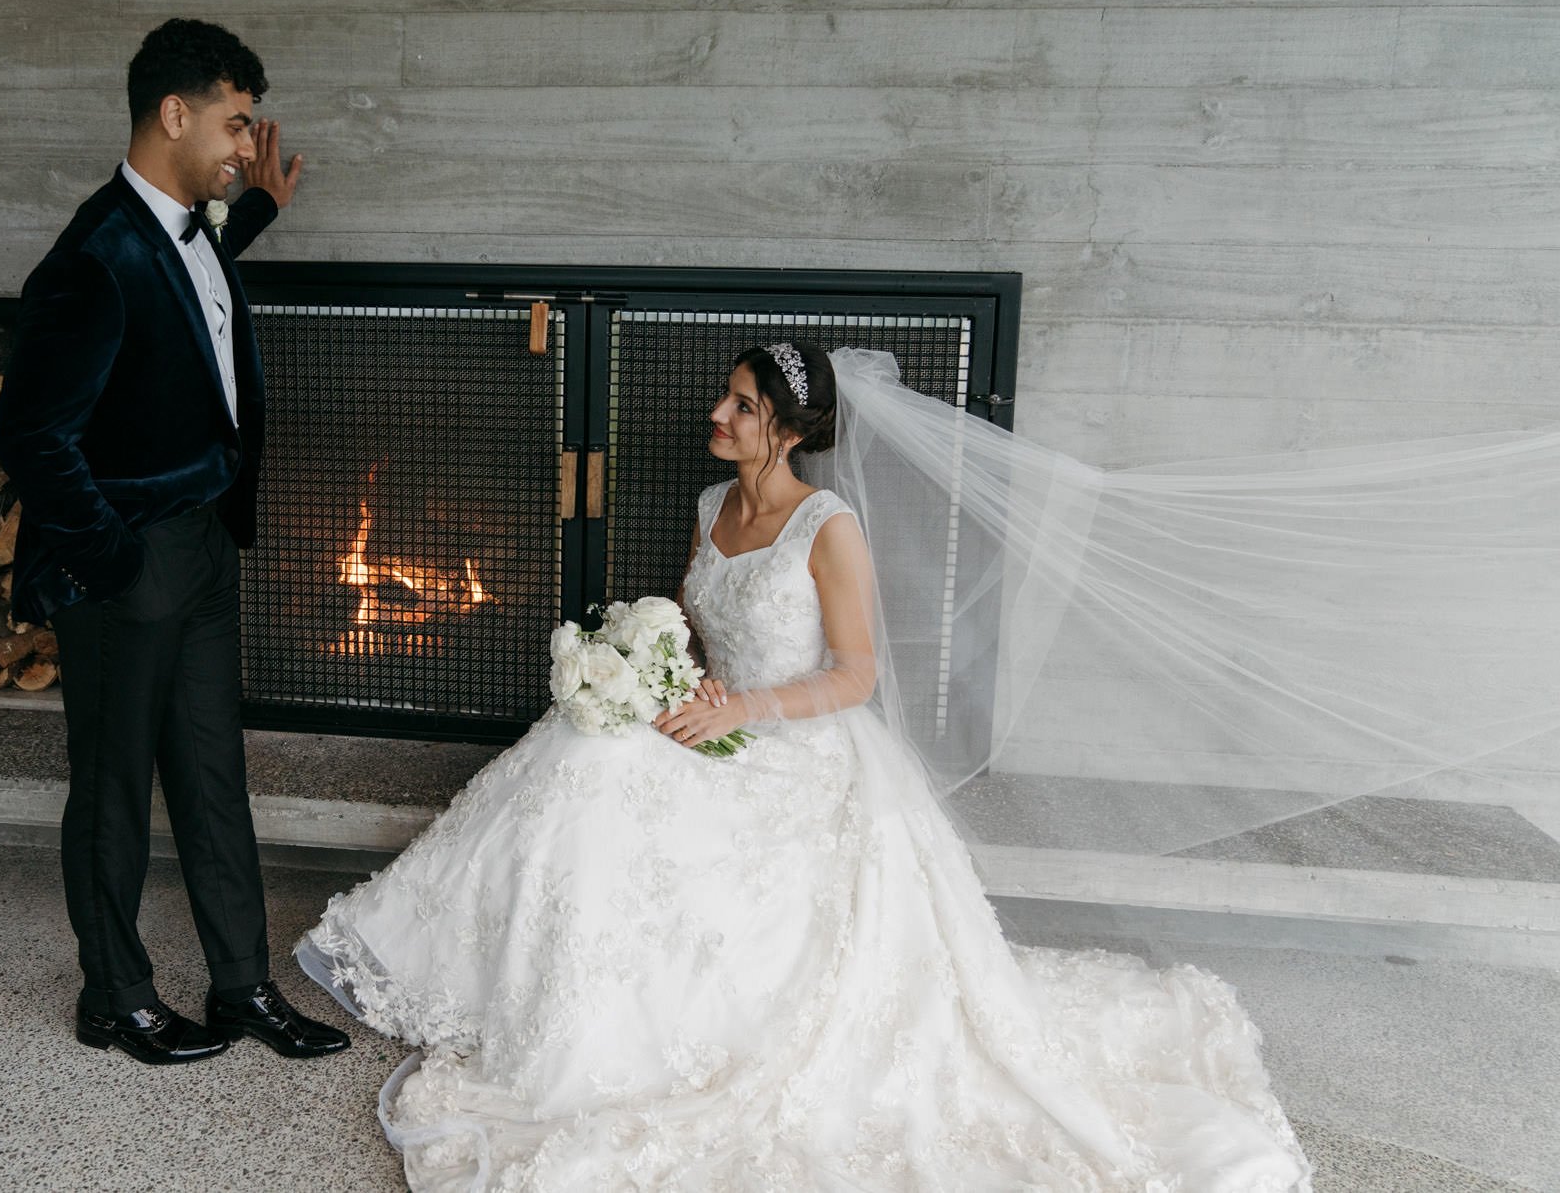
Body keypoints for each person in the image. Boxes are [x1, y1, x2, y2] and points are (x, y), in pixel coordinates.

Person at [299, 341, 1310, 1190]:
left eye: (742, 405)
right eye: (726, 397)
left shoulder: (829, 526)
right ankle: (485, 977)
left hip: (798, 752)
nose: (718, 413)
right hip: (715, 722)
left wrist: (742, 709)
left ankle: (589, 1021)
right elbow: (692, 627)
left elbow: (856, 674)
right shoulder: (710, 504)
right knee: (581, 745)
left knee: (596, 769)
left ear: (786, 431)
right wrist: (657, 675)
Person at [0, 18, 346, 1067]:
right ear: (174, 113)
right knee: (113, 790)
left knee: (211, 775)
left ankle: (242, 986)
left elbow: (188, 287)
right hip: (127, 562)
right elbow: (30, 435)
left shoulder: (188, 229)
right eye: (235, 125)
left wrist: (257, 207)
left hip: (203, 543)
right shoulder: (90, 258)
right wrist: (108, 561)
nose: (245, 145)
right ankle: (114, 997)